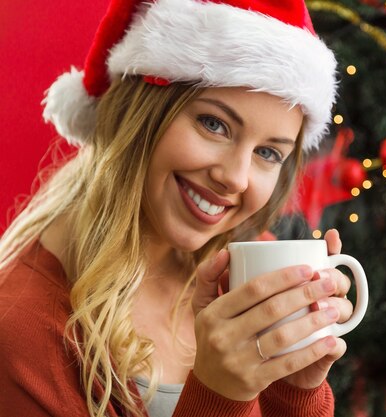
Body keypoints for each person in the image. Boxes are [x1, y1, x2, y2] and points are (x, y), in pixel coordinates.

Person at [0, 1, 353, 416]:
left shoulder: (241, 274)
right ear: (140, 114)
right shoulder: (21, 333)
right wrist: (219, 395)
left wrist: (295, 391)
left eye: (268, 153)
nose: (236, 179)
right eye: (214, 124)